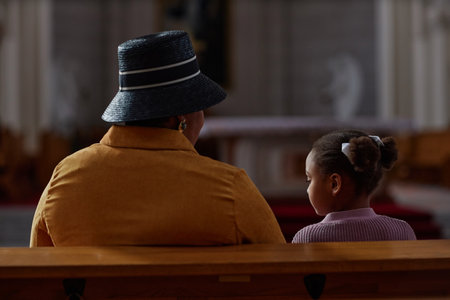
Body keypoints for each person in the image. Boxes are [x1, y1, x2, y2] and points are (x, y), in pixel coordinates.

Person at [30, 30, 285, 246]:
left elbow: (39, 272)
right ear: (182, 118)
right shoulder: (230, 189)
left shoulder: (65, 178)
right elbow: (281, 275)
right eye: (201, 107)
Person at [292, 130, 416, 243]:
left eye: (309, 179)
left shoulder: (307, 238)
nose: (308, 190)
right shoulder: (402, 231)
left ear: (334, 184)